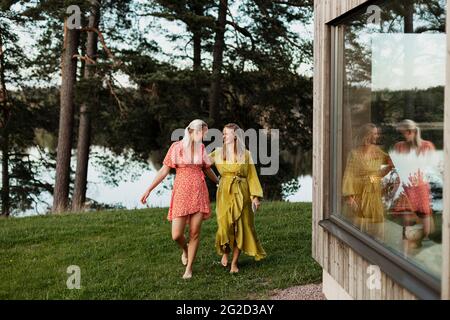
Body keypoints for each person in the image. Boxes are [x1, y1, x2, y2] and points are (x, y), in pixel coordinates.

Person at [140, 119, 219, 279]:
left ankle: (189, 269)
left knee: (195, 232)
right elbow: (164, 171)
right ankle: (185, 249)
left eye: (205, 134)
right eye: (202, 133)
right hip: (181, 193)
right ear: (191, 131)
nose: (204, 136)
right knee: (176, 235)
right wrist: (149, 189)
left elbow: (207, 169)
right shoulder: (176, 148)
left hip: (199, 191)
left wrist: (219, 182)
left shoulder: (201, 148)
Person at [209, 123, 266, 274]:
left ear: (235, 136)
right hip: (224, 192)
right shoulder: (217, 152)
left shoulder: (246, 154)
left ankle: (234, 263)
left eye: (226, 133)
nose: (223, 136)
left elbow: (252, 176)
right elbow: (202, 163)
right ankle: (225, 251)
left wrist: (255, 198)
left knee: (240, 228)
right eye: (223, 133)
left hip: (242, 191)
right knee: (224, 225)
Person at [342, 123, 394, 237]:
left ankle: (377, 248)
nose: (377, 136)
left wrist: (376, 177)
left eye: (377, 133)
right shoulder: (354, 154)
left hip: (374, 193)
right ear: (367, 135)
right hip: (359, 193)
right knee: (358, 228)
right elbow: (349, 175)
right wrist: (349, 198)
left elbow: (392, 164)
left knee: (376, 228)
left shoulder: (378, 152)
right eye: (374, 134)